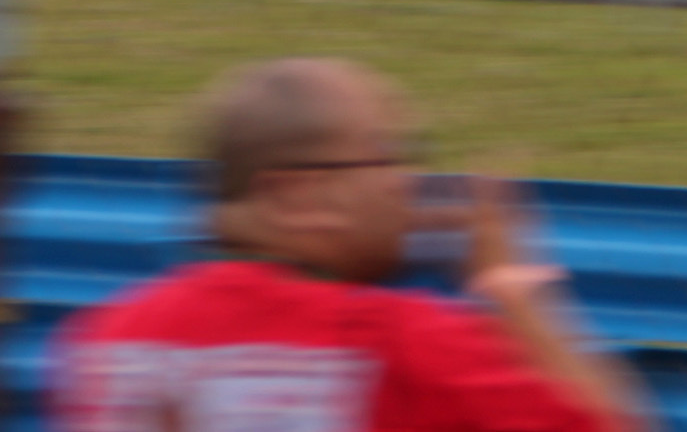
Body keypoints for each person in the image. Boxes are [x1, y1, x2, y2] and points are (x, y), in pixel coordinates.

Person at [51, 58, 652, 432]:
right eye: (388, 156)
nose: (408, 184)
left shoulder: (100, 340)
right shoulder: (400, 342)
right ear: (297, 197)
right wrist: (511, 287)